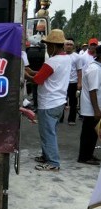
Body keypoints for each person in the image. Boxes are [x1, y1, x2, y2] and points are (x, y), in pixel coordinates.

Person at [31, 29, 71, 171]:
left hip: (49, 102)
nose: (47, 47)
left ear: (54, 46)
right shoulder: (67, 59)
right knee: (50, 131)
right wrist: (34, 73)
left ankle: (53, 162)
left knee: (47, 133)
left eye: (49, 45)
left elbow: (38, 79)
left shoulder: (53, 61)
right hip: (59, 101)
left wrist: (28, 74)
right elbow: (50, 75)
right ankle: (46, 155)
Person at [77, 45, 101, 165]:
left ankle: (88, 154)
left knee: (92, 133)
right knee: (89, 133)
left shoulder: (97, 68)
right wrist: (96, 110)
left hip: (94, 107)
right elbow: (93, 91)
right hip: (92, 108)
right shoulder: (95, 70)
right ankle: (84, 156)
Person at [62, 38, 82, 125]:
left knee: (73, 102)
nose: (69, 46)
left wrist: (79, 82)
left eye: (71, 45)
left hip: (73, 82)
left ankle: (72, 119)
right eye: (67, 44)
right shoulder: (61, 55)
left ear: (73, 47)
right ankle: (60, 118)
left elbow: (79, 70)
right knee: (62, 101)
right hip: (63, 82)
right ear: (64, 46)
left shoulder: (77, 57)